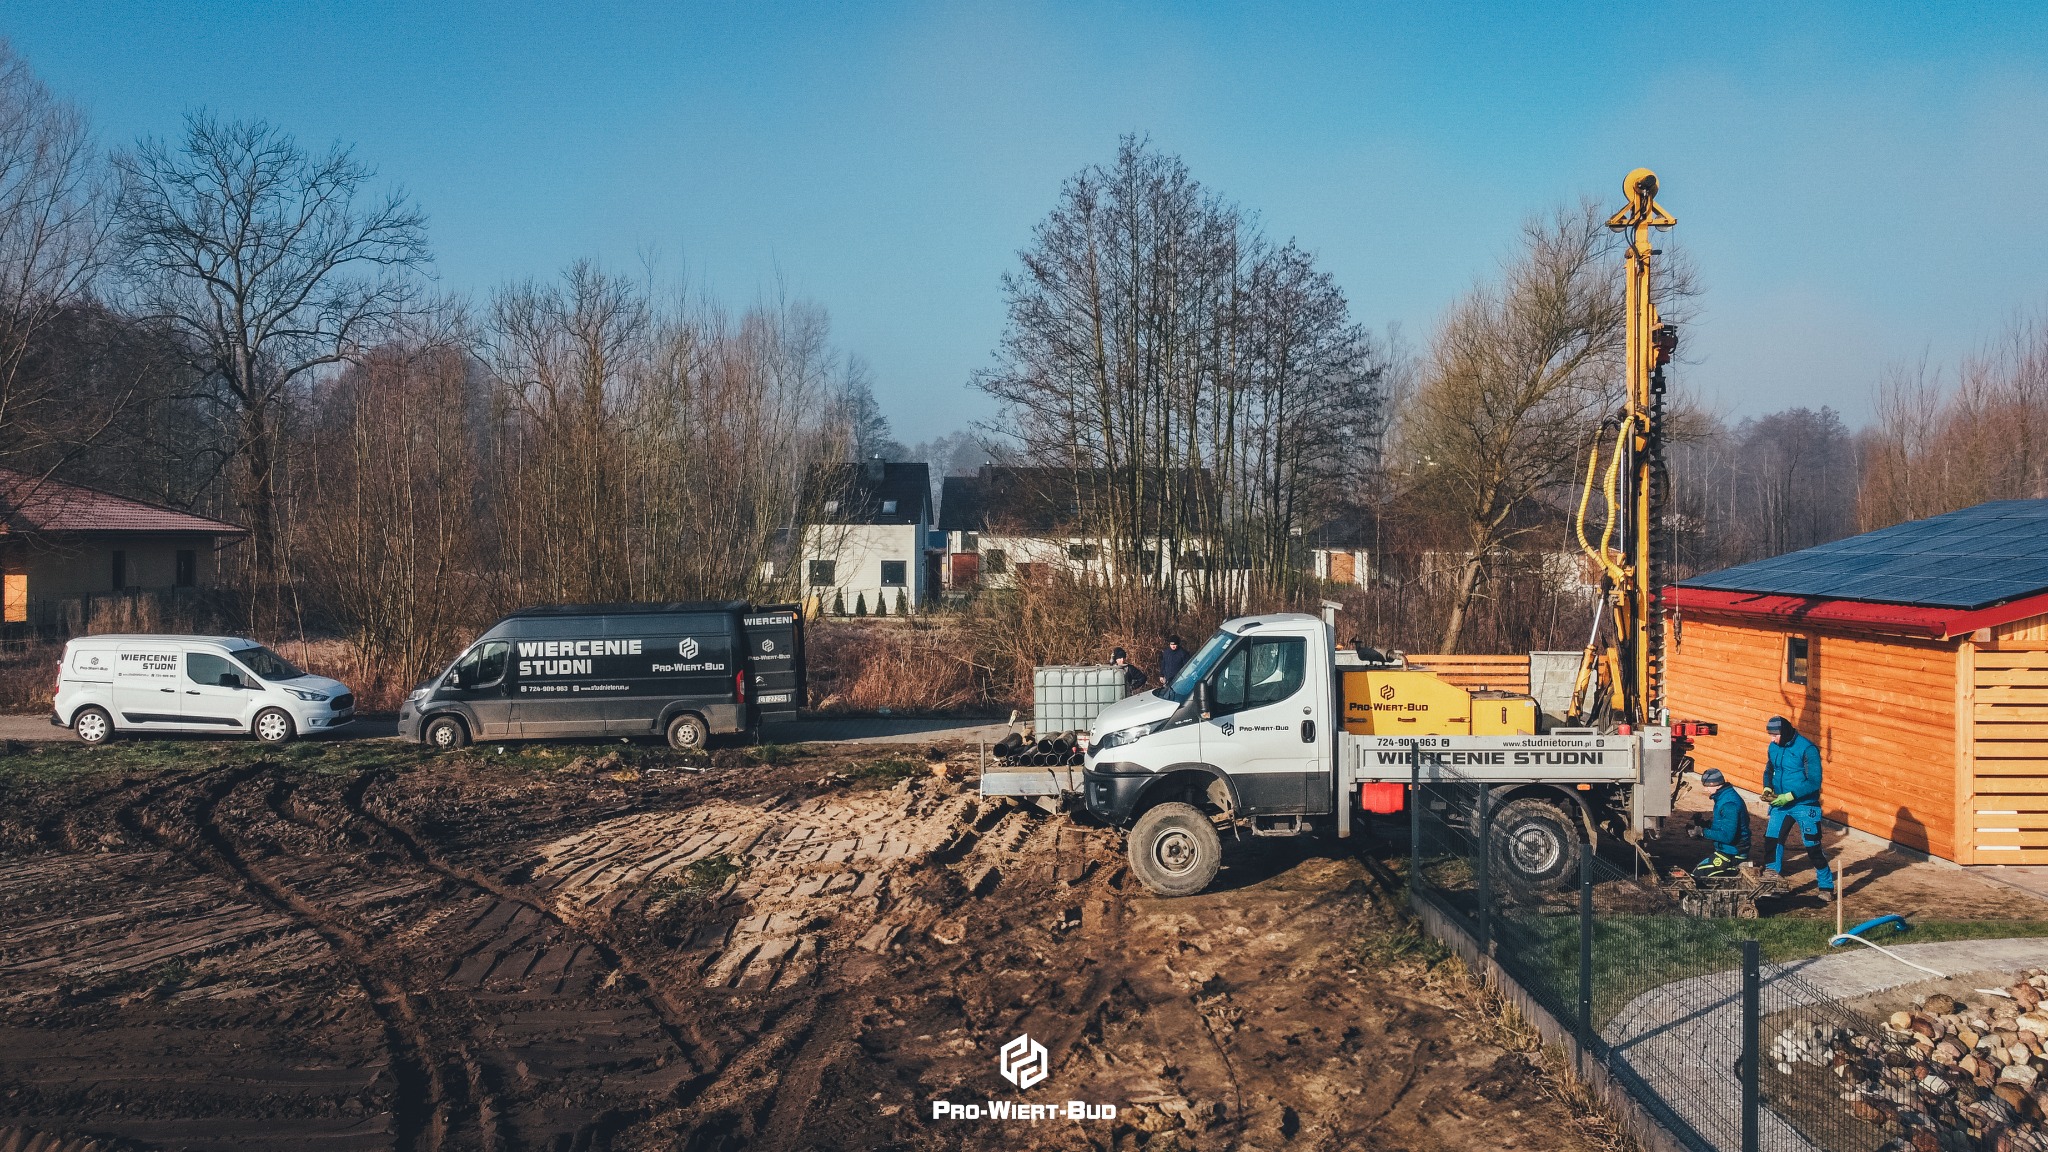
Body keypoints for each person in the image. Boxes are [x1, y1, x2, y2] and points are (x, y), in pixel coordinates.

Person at [1760, 716, 1834, 892]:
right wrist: (1767, 787)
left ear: (1784, 732)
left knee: (1813, 848)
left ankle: (1826, 886)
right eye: (1770, 735)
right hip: (1780, 804)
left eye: (1775, 735)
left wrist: (1789, 796)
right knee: (1771, 841)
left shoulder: (1808, 749)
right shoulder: (1773, 747)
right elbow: (1769, 770)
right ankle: (1773, 883)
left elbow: (1814, 782)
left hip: (1805, 805)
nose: (1772, 739)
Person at [1693, 768, 1751, 880]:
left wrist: (1702, 832)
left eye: (1706, 786)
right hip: (1728, 850)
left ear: (1715, 785)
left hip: (1733, 853)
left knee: (1699, 874)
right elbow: (1723, 825)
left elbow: (1727, 836)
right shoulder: (1723, 797)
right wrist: (1704, 824)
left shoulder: (1729, 804)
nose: (1705, 789)